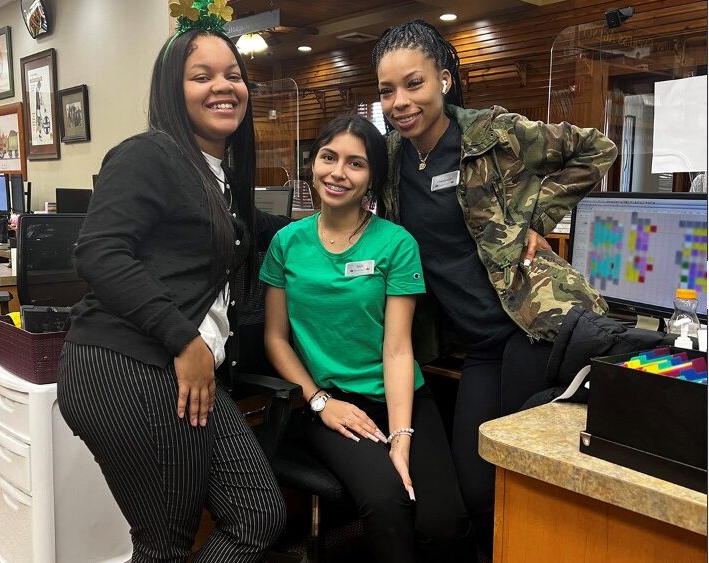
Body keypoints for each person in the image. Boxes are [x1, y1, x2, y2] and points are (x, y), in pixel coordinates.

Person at [372, 19, 617, 554]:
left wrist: (540, 218)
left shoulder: (491, 132)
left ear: (444, 78)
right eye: (387, 90)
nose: (400, 101)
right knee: (476, 482)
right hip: (479, 344)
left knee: (519, 474)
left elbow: (597, 149)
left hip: (535, 326)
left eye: (413, 83)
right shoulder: (390, 159)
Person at [56, 6, 287, 562]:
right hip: (129, 367)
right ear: (171, 89)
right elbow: (98, 253)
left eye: (232, 74)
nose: (223, 86)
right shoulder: (150, 153)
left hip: (174, 371)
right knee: (163, 545)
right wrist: (184, 339)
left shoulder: (219, 177)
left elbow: (248, 237)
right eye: (201, 76)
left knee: (258, 513)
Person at [261, 114, 476, 563]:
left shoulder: (395, 243)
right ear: (313, 163)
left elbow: (397, 348)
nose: (338, 173)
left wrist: (401, 435)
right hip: (334, 403)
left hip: (403, 397)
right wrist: (319, 401)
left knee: (444, 522)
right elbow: (276, 339)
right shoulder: (286, 242)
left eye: (355, 164)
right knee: (388, 505)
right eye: (328, 157)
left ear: (373, 177)